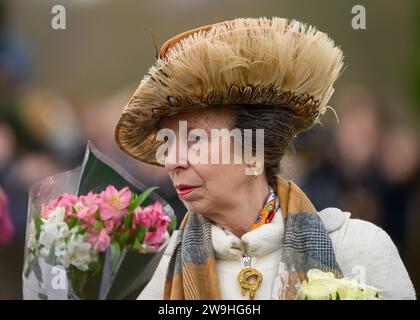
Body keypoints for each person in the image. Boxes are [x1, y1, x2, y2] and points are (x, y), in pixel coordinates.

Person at [114, 17, 416, 300]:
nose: (171, 162)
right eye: (168, 142)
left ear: (254, 150)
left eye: (195, 138)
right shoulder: (157, 274)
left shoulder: (358, 250)